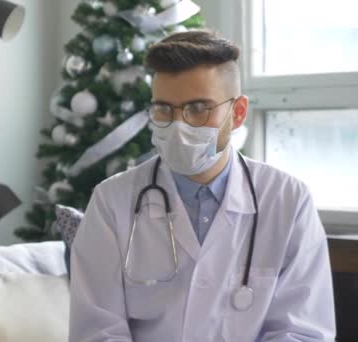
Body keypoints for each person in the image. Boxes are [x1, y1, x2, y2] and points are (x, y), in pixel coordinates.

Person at [69, 31, 336, 341]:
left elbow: (301, 332)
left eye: (198, 109)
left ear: (237, 113)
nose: (179, 125)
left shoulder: (288, 201)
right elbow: (97, 332)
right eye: (163, 109)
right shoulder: (111, 202)